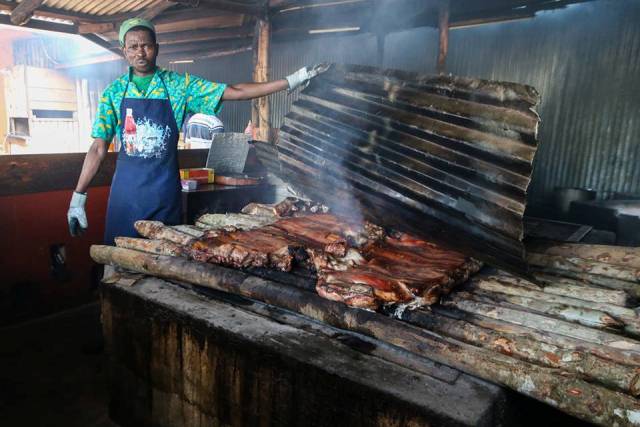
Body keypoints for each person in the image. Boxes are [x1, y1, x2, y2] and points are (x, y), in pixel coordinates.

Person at [67, 17, 319, 244]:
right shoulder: (113, 93)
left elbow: (236, 91)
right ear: (124, 51)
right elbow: (98, 147)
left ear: (156, 47)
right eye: (133, 46)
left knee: (165, 267)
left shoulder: (179, 85)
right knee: (119, 266)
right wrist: (78, 197)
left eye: (146, 45)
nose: (140, 52)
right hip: (125, 196)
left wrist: (290, 80)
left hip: (163, 196)